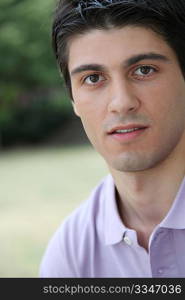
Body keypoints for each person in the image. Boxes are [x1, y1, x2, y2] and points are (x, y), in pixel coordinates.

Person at [39, 0, 185, 277]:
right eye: (93, 78)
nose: (121, 102)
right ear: (73, 100)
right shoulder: (71, 253)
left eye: (144, 70)